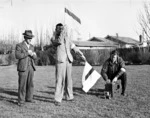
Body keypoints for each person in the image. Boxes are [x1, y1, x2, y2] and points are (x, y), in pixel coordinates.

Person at [51, 23, 86, 106]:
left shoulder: (67, 38)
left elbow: (73, 47)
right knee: (59, 80)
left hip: (68, 61)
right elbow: (58, 41)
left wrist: (81, 54)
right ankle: (57, 99)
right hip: (61, 61)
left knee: (69, 80)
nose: (61, 30)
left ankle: (69, 96)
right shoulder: (54, 38)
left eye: (62, 28)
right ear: (56, 30)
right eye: (59, 29)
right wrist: (62, 33)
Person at [15, 30, 37, 106]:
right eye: (29, 38)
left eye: (31, 38)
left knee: (30, 84)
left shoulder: (32, 46)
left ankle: (29, 98)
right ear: (25, 38)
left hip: (31, 67)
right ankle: (21, 101)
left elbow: (34, 58)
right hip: (23, 67)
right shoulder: (19, 45)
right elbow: (17, 56)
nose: (30, 40)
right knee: (22, 85)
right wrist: (27, 53)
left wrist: (34, 55)